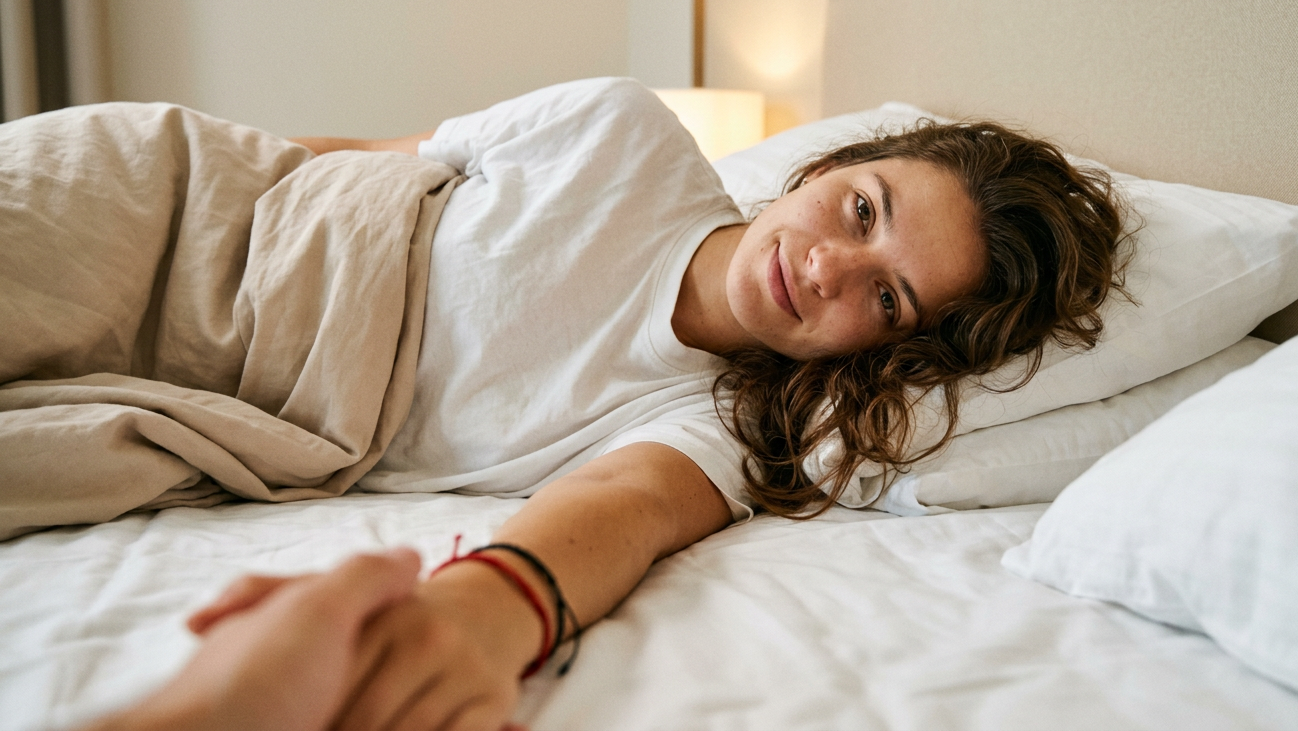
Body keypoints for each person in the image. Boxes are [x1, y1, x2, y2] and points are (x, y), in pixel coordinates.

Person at [81, 76, 1125, 730]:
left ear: (892, 351)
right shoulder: (618, 130)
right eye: (861, 210)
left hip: (193, 395)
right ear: (832, 164)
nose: (828, 270)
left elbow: (625, 506)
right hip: (163, 201)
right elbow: (370, 163)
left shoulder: (721, 422)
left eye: (887, 297)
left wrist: (488, 610)